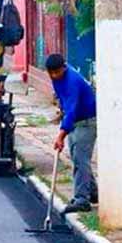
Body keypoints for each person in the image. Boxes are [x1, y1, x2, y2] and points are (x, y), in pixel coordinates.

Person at [46, 53, 97, 214]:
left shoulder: (72, 81)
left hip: (86, 122)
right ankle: (93, 192)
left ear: (64, 67)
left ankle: (82, 199)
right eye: (51, 73)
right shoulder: (57, 79)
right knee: (77, 157)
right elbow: (65, 105)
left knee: (81, 160)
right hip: (75, 121)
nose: (54, 75)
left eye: (56, 72)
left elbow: (72, 110)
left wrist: (61, 135)